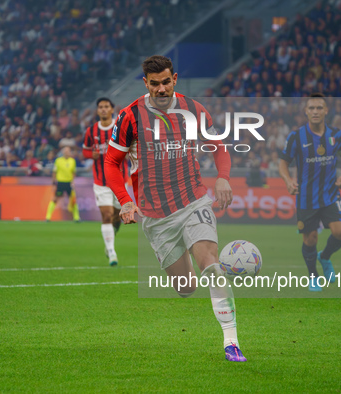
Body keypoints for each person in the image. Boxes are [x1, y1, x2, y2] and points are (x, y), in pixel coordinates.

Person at [104, 55, 244, 362]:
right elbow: (111, 162)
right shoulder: (130, 117)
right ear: (146, 83)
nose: (161, 89)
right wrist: (125, 200)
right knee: (186, 287)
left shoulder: (193, 110)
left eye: (166, 82)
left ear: (175, 79)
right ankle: (184, 258)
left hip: (194, 200)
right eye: (154, 84)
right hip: (156, 214)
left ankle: (231, 342)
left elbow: (218, 147)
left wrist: (222, 178)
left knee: (212, 263)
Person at [278, 93, 341, 292]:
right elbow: (283, 163)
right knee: (310, 239)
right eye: (311, 108)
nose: (315, 111)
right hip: (306, 198)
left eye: (319, 108)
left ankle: (325, 257)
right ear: (306, 111)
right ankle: (313, 277)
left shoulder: (337, 135)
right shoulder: (296, 136)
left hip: (330, 194)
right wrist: (288, 180)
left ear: (326, 110)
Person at [82, 98, 128, 266]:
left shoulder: (120, 128)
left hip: (119, 181)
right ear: (97, 110)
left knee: (117, 217)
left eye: (106, 107)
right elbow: (85, 151)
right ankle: (111, 252)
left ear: (111, 109)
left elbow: (131, 147)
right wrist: (90, 156)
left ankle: (111, 238)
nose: (103, 110)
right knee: (106, 215)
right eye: (100, 107)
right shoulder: (91, 131)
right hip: (100, 182)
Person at [46, 147, 80, 222]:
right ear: (63, 152)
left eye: (68, 151)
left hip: (69, 183)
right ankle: (48, 217)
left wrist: (73, 181)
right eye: (65, 151)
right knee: (55, 199)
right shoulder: (58, 161)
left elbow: (73, 172)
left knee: (73, 200)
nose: (67, 153)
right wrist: (54, 183)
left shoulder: (72, 161)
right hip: (60, 182)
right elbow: (54, 172)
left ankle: (76, 218)